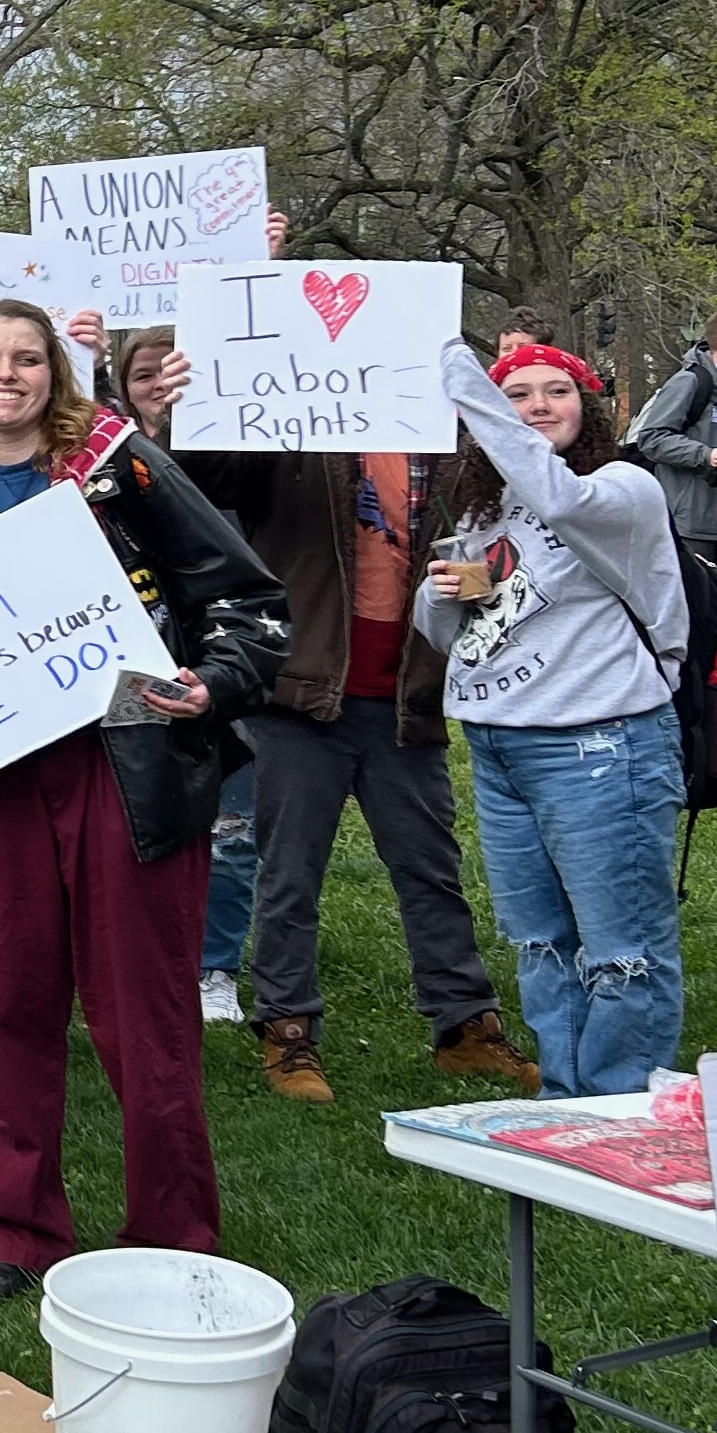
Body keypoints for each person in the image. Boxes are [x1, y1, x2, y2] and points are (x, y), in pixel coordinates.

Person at [0, 302, 286, 1301]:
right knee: (13, 1007)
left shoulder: (126, 471)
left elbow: (244, 598)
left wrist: (212, 682)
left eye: (27, 358)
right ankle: (16, 1227)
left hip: (128, 767)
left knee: (140, 1016)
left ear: (55, 376)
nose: (6, 374)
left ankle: (173, 1230)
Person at [173, 360, 536, 1108]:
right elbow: (203, 475)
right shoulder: (291, 433)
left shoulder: (445, 443)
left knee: (430, 869)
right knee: (289, 872)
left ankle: (465, 1026)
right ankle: (288, 1030)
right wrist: (208, 380)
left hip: (406, 693)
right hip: (301, 696)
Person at [418, 340, 690, 1093]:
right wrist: (442, 596)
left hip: (601, 743)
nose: (539, 406)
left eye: (558, 392)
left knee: (622, 943)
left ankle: (622, 1101)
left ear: (587, 406)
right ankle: (565, 1096)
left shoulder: (622, 487)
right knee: (540, 940)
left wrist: (467, 386)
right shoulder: (484, 507)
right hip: (499, 742)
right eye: (520, 395)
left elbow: (558, 499)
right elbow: (449, 637)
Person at [106, 322, 263, 1034]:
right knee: (132, 828)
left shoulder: (238, 447)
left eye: (175, 375)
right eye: (144, 377)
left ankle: (215, 966)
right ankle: (134, 966)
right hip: (128, 665)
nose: (159, 389)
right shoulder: (101, 466)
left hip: (220, 660)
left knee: (230, 824)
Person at [627, 307, 717, 586]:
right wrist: (706, 455)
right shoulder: (690, 381)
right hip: (689, 525)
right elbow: (652, 438)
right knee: (694, 613)